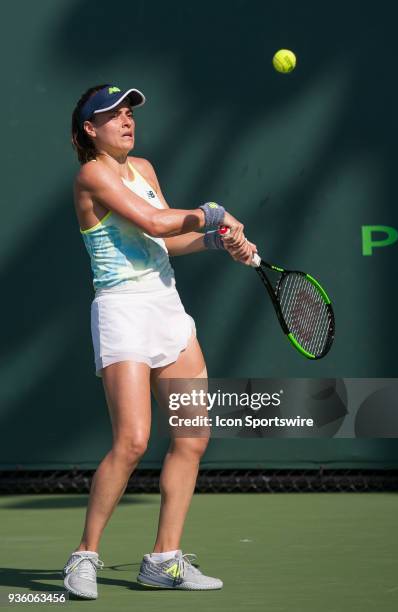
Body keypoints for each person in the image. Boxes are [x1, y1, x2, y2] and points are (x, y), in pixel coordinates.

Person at [62, 84, 257, 599]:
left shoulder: (143, 169)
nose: (126, 120)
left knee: (193, 437)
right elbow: (150, 220)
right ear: (89, 128)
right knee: (132, 442)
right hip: (123, 312)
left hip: (169, 311)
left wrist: (218, 241)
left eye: (130, 112)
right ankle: (84, 556)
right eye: (113, 114)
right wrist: (214, 212)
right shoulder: (92, 175)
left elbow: (166, 238)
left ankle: (164, 560)